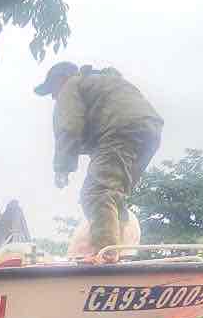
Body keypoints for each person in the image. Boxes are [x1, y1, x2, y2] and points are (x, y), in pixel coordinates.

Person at [36, 61, 163, 257]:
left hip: (120, 130)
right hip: (149, 132)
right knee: (114, 195)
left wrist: (63, 167)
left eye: (52, 90)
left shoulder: (71, 85)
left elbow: (69, 127)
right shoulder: (104, 82)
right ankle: (120, 251)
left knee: (97, 193)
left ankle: (106, 256)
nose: (54, 97)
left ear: (61, 79)